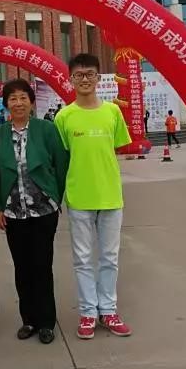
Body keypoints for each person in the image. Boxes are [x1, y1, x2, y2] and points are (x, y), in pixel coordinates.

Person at [54, 53, 133, 340]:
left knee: (110, 257)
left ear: (99, 78)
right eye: (79, 75)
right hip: (79, 197)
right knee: (83, 259)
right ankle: (88, 312)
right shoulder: (64, 117)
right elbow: (62, 157)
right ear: (71, 79)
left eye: (89, 74)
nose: (84, 79)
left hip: (110, 196)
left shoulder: (112, 112)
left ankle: (108, 310)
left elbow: (117, 149)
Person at [0, 79, 68, 344]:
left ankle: (46, 322)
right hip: (13, 213)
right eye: (13, 98)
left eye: (23, 97)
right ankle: (29, 320)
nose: (18, 103)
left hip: (43, 211)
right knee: (22, 268)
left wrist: (55, 196)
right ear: (6, 104)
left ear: (32, 102)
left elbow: (61, 164)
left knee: (42, 266)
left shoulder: (46, 129)